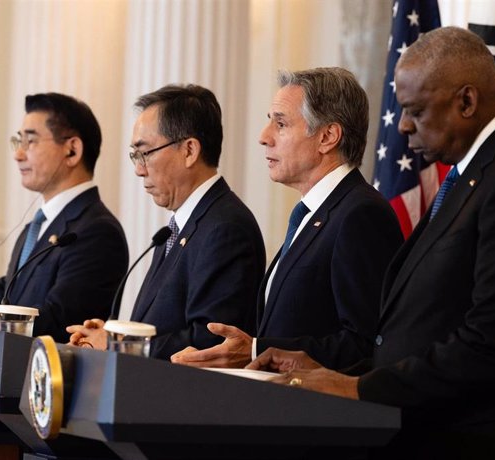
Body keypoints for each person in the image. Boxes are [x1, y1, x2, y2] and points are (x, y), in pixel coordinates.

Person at [245, 27, 495, 460]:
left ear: (466, 102)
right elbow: (417, 331)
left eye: (415, 109)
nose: (403, 125)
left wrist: (357, 386)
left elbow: (494, 343)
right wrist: (326, 371)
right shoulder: (475, 175)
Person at [171, 67, 403, 370]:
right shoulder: (314, 214)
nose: (264, 137)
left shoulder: (360, 214)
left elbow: (365, 344)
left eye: (280, 124)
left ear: (327, 137)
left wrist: (257, 350)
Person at [66, 84, 266, 360]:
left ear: (189, 151)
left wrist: (119, 344)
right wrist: (113, 335)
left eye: (145, 153)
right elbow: (166, 325)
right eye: (135, 155)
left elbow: (209, 342)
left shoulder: (226, 228)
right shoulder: (180, 225)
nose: (138, 169)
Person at [0, 93, 129, 343]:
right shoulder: (36, 227)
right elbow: (1, 304)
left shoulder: (98, 231)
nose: (18, 154)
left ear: (72, 150)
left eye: (30, 141)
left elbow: (60, 321)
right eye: (19, 141)